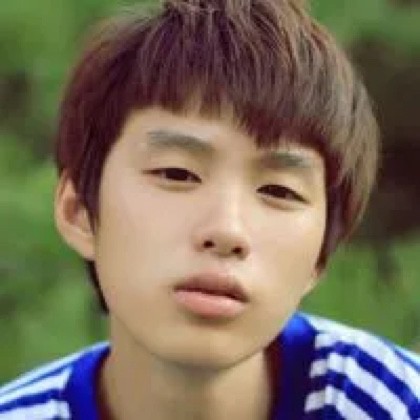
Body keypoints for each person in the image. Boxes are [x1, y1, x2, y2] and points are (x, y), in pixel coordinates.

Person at [0, 0, 419, 418]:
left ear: (320, 256)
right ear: (78, 211)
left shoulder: (393, 403)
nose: (227, 230)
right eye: (177, 173)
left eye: (279, 190)